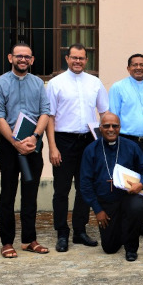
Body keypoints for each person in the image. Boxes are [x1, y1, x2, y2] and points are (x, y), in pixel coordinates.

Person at [0, 43, 50, 258]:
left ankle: (29, 240)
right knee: (7, 194)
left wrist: (34, 137)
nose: (22, 60)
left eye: (27, 57)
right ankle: (7, 242)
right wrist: (15, 142)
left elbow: (45, 112)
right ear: (10, 58)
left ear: (32, 60)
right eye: (18, 56)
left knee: (30, 194)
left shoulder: (38, 84)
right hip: (9, 145)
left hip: (33, 144)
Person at [46, 44, 109, 252]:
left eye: (81, 58)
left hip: (89, 141)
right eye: (74, 58)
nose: (78, 62)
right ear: (67, 59)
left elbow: (104, 113)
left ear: (86, 60)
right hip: (63, 141)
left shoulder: (95, 83)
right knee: (61, 190)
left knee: (85, 188)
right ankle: (62, 233)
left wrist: (102, 143)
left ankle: (80, 231)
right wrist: (52, 147)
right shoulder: (55, 84)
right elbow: (50, 118)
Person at [79, 112, 143, 262]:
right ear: (100, 128)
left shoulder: (131, 146)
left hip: (128, 197)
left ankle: (131, 248)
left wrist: (141, 184)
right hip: (106, 203)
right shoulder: (91, 150)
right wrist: (98, 210)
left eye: (115, 126)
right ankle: (121, 227)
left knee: (137, 207)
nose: (111, 129)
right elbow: (85, 184)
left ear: (120, 128)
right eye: (106, 126)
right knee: (109, 248)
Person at [109, 53, 143, 239]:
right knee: (125, 184)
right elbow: (113, 118)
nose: (138, 68)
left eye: (142, 65)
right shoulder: (118, 87)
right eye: (134, 65)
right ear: (128, 68)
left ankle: (141, 223)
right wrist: (114, 144)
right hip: (126, 142)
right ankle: (123, 222)